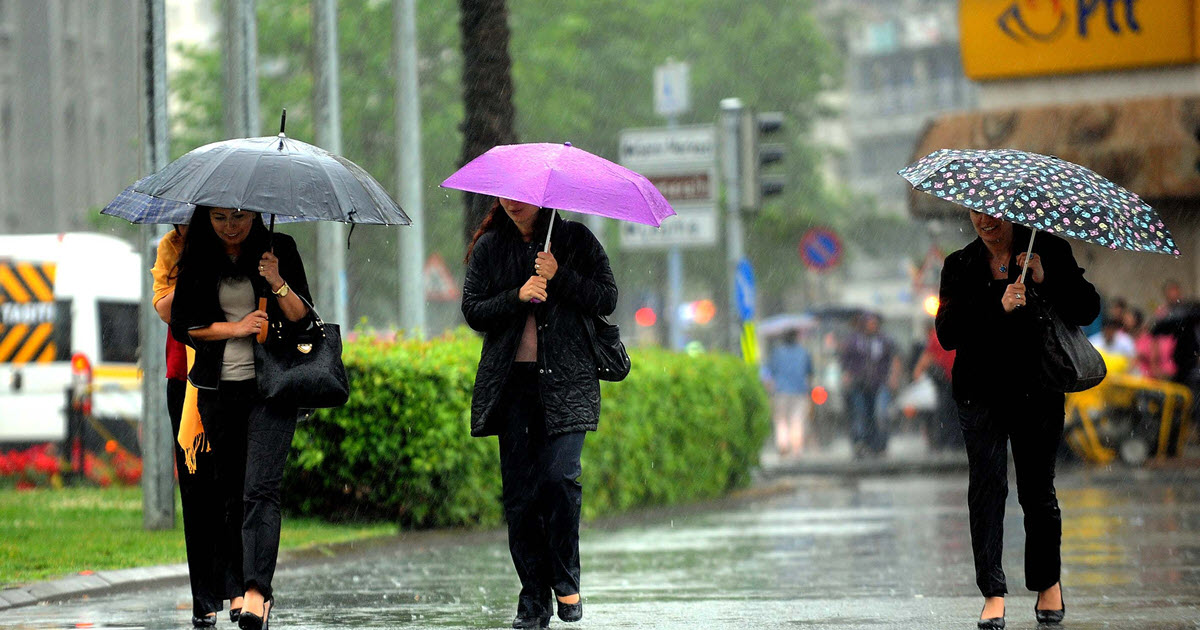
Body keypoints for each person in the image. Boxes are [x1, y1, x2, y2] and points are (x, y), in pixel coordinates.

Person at [936, 211, 1099, 628]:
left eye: (994, 215)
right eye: (976, 213)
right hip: (980, 394)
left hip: (1037, 390)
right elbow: (948, 332)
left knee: (1037, 492)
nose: (985, 222)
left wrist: (1047, 278)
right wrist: (997, 303)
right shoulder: (960, 264)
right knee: (987, 491)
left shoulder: (1046, 250)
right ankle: (992, 592)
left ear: (1011, 213)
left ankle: (1048, 585)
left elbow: (1086, 308)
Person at [462, 199, 616, 628]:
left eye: (522, 195)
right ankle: (533, 596)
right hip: (512, 387)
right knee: (520, 496)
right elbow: (472, 309)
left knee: (560, 477)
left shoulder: (575, 240)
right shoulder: (491, 248)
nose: (512, 203)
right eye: (505, 195)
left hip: (568, 383)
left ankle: (566, 580)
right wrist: (518, 295)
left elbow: (607, 297)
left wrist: (558, 276)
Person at [171, 207, 312, 630]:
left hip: (271, 389)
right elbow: (184, 325)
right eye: (218, 218)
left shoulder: (278, 248)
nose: (230, 226)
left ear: (255, 214)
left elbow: (304, 318)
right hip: (219, 392)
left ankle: (256, 593)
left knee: (261, 488)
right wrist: (234, 329)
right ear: (205, 220)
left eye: (239, 217)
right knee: (230, 491)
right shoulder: (198, 255)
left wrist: (277, 281)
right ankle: (235, 585)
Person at [152, 225, 228, 628]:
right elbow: (165, 309)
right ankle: (204, 598)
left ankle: (240, 588)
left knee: (231, 486)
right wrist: (198, 279)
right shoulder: (173, 246)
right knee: (195, 489)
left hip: (234, 376)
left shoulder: (240, 242)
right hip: (184, 379)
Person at [839, 313, 900, 456]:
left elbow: (894, 357)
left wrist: (894, 376)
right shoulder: (854, 341)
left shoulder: (884, 340)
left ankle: (880, 444)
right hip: (858, 383)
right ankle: (861, 442)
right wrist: (847, 374)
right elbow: (845, 360)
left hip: (880, 382)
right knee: (861, 413)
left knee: (880, 413)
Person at [763, 330, 813, 456]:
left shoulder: (777, 353)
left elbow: (769, 371)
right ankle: (797, 447)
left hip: (780, 391)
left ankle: (783, 444)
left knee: (781, 420)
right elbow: (810, 371)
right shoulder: (803, 352)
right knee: (797, 420)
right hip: (799, 390)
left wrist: (769, 386)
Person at [911, 324, 959, 451]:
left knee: (951, 411)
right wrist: (918, 371)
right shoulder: (937, 337)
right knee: (947, 410)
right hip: (946, 381)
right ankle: (949, 441)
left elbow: (928, 356)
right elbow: (928, 355)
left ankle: (953, 441)